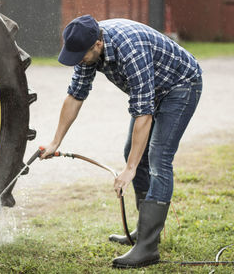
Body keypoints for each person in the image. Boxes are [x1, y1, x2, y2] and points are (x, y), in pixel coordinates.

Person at [40, 15, 202, 268]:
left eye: (80, 55)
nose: (78, 61)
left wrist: (130, 169)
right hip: (154, 88)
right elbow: (75, 96)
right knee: (132, 151)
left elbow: (143, 113)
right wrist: (55, 141)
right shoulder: (88, 47)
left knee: (158, 159)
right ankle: (143, 231)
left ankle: (148, 247)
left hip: (180, 86)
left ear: (98, 45)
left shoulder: (130, 50)